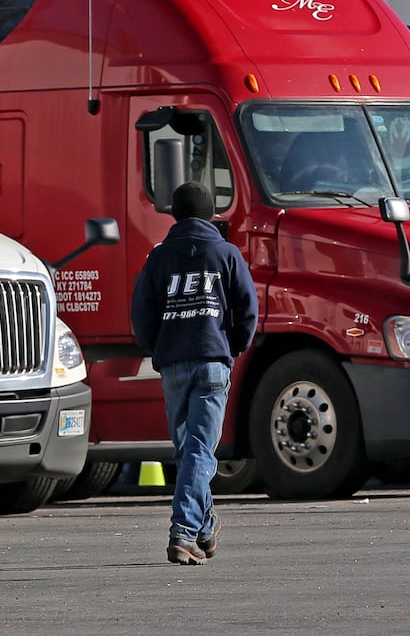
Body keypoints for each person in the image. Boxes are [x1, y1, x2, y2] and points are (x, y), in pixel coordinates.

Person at [130, 181, 258, 565]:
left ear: (174, 214)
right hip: (212, 361)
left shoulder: (158, 258)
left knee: (189, 451)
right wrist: (233, 345)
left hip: (173, 365)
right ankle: (184, 532)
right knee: (200, 451)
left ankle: (205, 527)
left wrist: (157, 347)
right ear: (211, 213)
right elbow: (247, 309)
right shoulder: (225, 253)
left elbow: (141, 315)